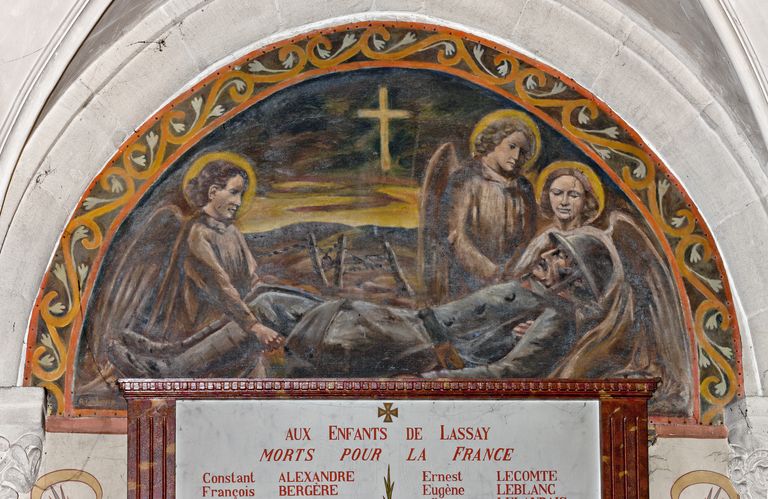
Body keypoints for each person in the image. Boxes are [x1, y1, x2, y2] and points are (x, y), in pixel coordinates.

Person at [84, 158, 283, 387]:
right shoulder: (198, 234)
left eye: (241, 195)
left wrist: (264, 305)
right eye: (234, 193)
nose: (238, 202)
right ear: (213, 192)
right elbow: (220, 287)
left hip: (240, 326)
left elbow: (252, 278)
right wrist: (255, 326)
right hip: (205, 335)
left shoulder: (233, 233)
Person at [420, 110, 539, 303]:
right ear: (494, 142)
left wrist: (512, 270)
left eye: (524, 152)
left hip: (511, 280)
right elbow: (456, 235)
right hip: (469, 280)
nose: (517, 155)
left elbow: (528, 237)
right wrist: (490, 272)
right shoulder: (466, 178)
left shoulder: (523, 187)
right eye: (512, 146)